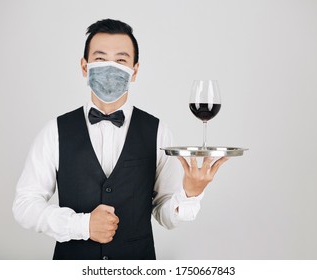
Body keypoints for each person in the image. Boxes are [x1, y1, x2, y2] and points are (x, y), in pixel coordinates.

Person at [12, 18, 229, 260]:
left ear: (134, 71)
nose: (110, 67)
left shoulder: (158, 131)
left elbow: (166, 215)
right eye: (101, 58)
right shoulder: (54, 131)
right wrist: (80, 225)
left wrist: (190, 194)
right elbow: (24, 205)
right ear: (85, 67)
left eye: (121, 60)